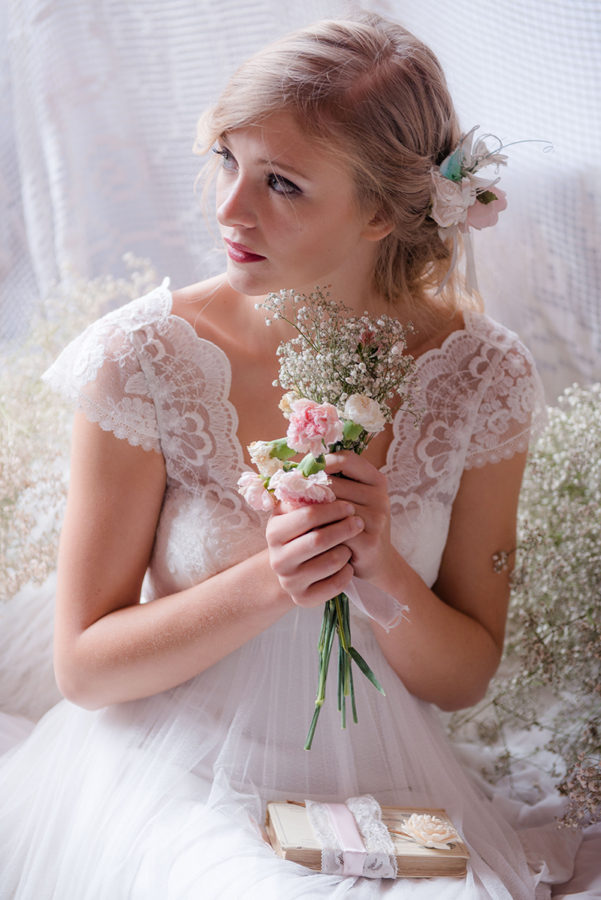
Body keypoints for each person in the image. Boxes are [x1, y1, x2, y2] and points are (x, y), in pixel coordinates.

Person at [0, 11, 580, 899]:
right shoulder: (141, 357)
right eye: (226, 160)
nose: (230, 207)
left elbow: (464, 677)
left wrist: (379, 569)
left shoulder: (483, 373)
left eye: (281, 183)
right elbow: (84, 666)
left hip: (378, 783)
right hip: (172, 772)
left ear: (383, 210)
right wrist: (276, 574)